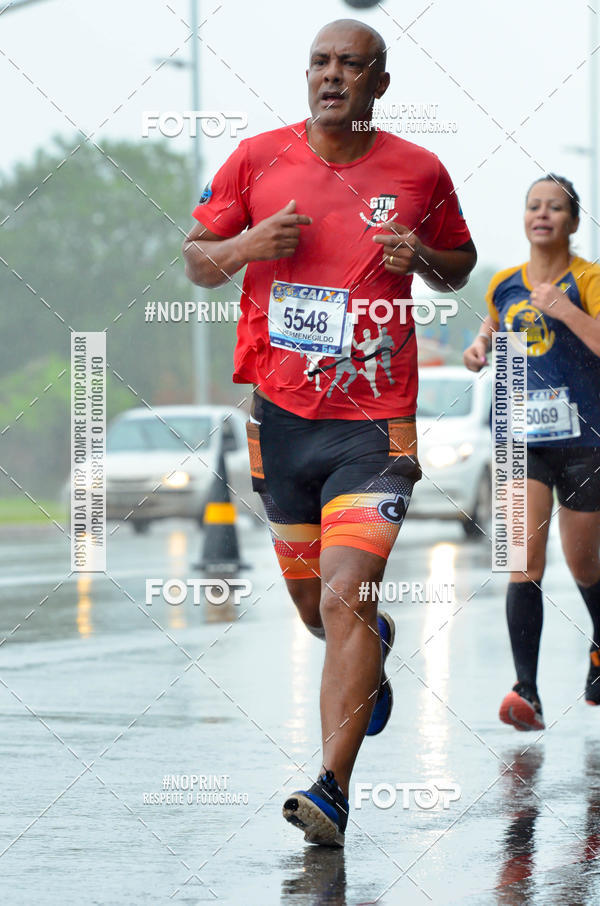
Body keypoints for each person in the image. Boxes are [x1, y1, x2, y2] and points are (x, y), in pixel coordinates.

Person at [184, 18, 476, 846]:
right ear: (306, 74)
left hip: (375, 424)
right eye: (320, 62)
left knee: (347, 592)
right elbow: (195, 260)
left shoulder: (421, 171)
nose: (332, 76)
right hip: (279, 420)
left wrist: (420, 253)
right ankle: (372, 645)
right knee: (318, 609)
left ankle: (331, 791)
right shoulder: (256, 160)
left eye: (352, 65)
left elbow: (458, 260)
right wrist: (246, 243)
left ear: (380, 82)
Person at [464, 174, 600, 732]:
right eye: (533, 206)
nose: (542, 214)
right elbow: (492, 331)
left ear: (572, 221)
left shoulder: (589, 278)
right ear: (524, 218)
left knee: (585, 564)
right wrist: (479, 347)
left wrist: (564, 310)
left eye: (555, 207)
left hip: (584, 441)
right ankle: (527, 692)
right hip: (520, 441)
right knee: (523, 563)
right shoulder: (504, 283)